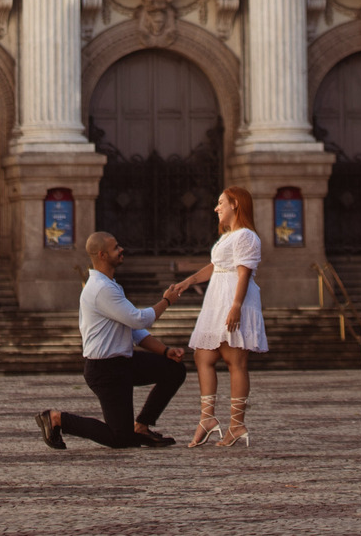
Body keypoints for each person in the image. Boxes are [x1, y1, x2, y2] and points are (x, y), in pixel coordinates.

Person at [34, 231, 186, 452]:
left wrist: (165, 351)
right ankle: (57, 418)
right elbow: (138, 319)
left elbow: (133, 330)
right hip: (105, 370)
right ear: (103, 255)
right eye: (116, 248)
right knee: (120, 438)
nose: (121, 250)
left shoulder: (109, 285)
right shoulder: (101, 289)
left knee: (174, 369)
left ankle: (142, 426)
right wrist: (166, 301)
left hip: (124, 363)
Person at [165, 186, 267, 448]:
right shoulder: (228, 237)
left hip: (233, 300)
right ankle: (207, 418)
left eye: (221, 203)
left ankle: (237, 424)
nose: (216, 208)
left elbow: (243, 273)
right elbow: (217, 266)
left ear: (235, 204)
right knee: (203, 356)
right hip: (216, 301)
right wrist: (189, 281)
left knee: (235, 360)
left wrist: (236, 306)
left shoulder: (246, 236)